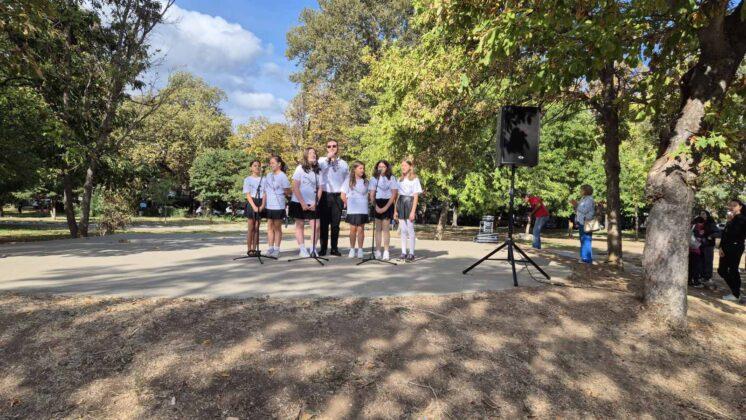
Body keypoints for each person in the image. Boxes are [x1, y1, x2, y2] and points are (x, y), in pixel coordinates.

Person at [317, 140, 349, 256]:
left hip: (338, 195)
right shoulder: (321, 161)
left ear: (337, 147)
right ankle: (323, 248)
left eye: (334, 146)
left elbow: (347, 179)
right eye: (329, 146)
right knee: (324, 224)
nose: (331, 148)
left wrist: (344, 193)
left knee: (335, 224)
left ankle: (334, 248)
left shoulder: (343, 163)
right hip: (325, 195)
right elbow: (318, 171)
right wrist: (328, 159)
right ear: (326, 148)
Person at [289, 147, 322, 257]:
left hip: (313, 203)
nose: (313, 154)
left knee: (316, 226)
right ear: (306, 156)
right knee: (300, 225)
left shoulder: (318, 170)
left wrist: (316, 202)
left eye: (314, 153)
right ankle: (302, 249)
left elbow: (320, 188)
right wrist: (302, 203)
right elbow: (295, 187)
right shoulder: (300, 168)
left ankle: (313, 248)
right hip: (299, 202)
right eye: (311, 153)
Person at [369, 160, 399, 261]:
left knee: (386, 229)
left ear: (387, 168)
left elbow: (394, 194)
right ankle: (378, 251)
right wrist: (376, 207)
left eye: (383, 166)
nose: (381, 168)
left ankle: (386, 251)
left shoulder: (392, 178)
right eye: (379, 166)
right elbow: (372, 195)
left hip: (388, 203)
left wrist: (386, 208)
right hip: (377, 202)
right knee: (378, 229)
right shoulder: (374, 178)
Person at [262, 155, 290, 258]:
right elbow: (265, 191)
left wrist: (282, 192)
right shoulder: (268, 175)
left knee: (277, 228)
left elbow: (287, 191)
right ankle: (270, 248)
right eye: (270, 163)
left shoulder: (283, 176)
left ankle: (277, 249)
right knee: (269, 227)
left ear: (279, 164)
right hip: (269, 205)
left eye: (273, 163)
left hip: (278, 205)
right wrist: (263, 204)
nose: (271, 165)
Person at [717, 199, 745, 302]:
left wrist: (730, 221)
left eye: (734, 205)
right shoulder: (732, 219)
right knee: (721, 270)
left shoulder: (742, 219)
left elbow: (735, 234)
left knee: (733, 269)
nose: (731, 207)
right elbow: (725, 234)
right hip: (726, 247)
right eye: (730, 205)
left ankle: (736, 294)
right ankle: (736, 291)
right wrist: (721, 247)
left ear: (740, 207)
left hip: (735, 247)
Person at [394, 160, 422, 262]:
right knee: (403, 229)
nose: (403, 167)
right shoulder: (399, 179)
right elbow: (397, 196)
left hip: (410, 202)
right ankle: (403, 252)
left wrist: (413, 211)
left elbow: (416, 196)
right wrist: (395, 210)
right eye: (402, 165)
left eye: (405, 165)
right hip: (401, 202)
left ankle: (412, 253)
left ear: (410, 167)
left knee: (410, 229)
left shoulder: (415, 179)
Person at [341, 161, 370, 258]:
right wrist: (349, 204)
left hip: (363, 209)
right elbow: (343, 195)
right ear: (354, 169)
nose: (362, 170)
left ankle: (360, 250)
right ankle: (352, 249)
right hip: (352, 209)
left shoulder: (366, 181)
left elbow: (369, 194)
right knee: (353, 229)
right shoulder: (348, 181)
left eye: (363, 168)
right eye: (360, 168)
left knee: (361, 229)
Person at [242, 159, 266, 256]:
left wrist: (262, 205)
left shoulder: (264, 179)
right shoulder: (247, 179)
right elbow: (247, 194)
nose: (257, 167)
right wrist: (254, 207)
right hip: (252, 202)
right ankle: (249, 249)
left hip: (260, 202)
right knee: (251, 228)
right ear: (251, 168)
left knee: (257, 228)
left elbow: (265, 193)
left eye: (258, 166)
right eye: (255, 165)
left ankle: (255, 249)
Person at [571, 185, 595, 264]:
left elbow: (584, 210)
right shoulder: (583, 199)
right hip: (581, 221)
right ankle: (583, 257)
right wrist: (575, 206)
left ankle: (586, 259)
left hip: (587, 222)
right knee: (583, 239)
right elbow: (579, 210)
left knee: (586, 240)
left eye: (581, 190)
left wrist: (576, 205)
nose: (580, 191)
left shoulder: (589, 199)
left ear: (586, 191)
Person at [697, 210, 720, 286]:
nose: (702, 215)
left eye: (703, 213)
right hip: (699, 245)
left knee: (708, 261)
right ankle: (701, 277)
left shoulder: (711, 223)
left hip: (708, 245)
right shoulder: (699, 222)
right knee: (700, 262)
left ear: (707, 215)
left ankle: (707, 278)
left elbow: (718, 233)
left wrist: (710, 236)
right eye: (700, 214)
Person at [688, 216, 706, 288]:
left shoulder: (690, 226)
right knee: (695, 267)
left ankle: (689, 280)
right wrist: (701, 236)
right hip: (695, 250)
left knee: (691, 266)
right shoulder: (697, 228)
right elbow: (699, 238)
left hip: (690, 249)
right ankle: (695, 282)